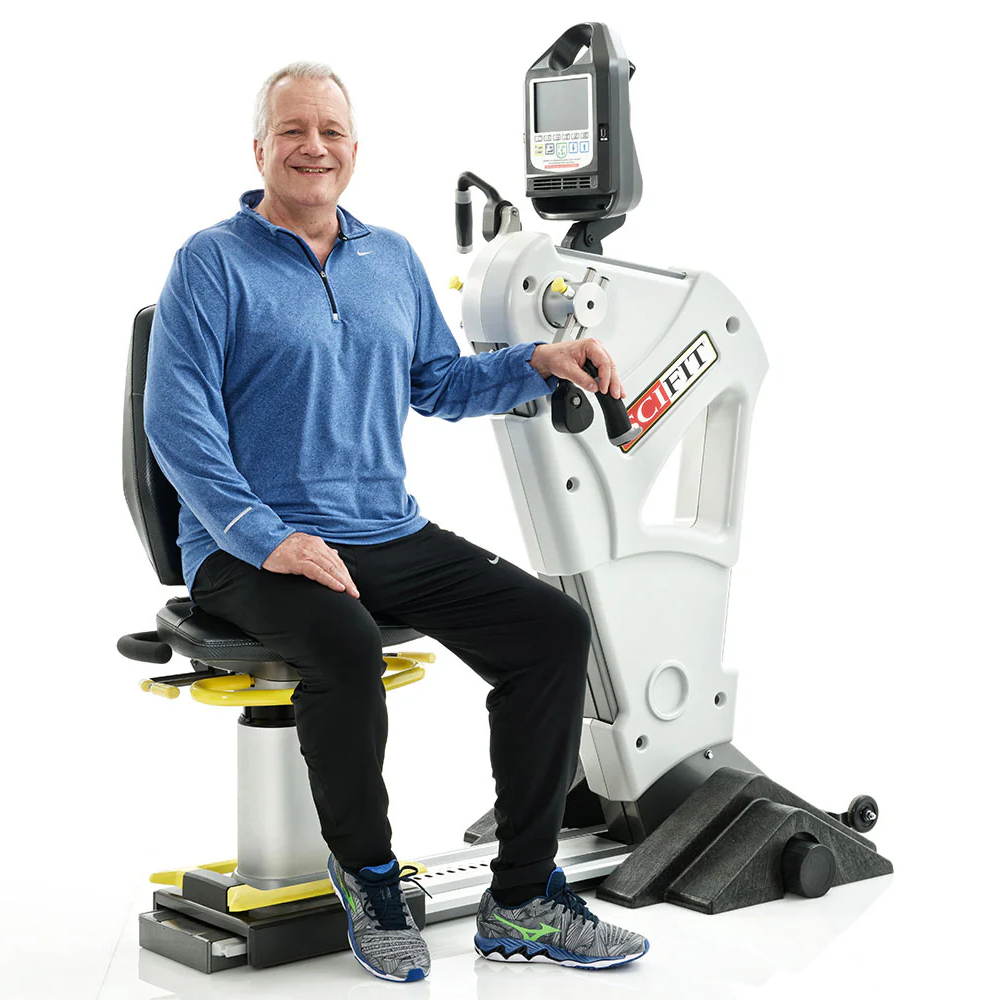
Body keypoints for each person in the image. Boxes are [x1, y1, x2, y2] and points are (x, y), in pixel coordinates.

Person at [144, 61, 648, 983]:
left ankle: (524, 898)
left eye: (331, 132)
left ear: (354, 150)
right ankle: (372, 883)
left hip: (382, 528)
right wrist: (267, 538)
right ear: (259, 150)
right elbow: (176, 425)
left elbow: (438, 383)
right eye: (294, 131)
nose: (314, 147)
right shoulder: (211, 262)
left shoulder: (392, 259)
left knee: (551, 630)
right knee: (343, 646)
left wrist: (537, 361)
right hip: (243, 544)